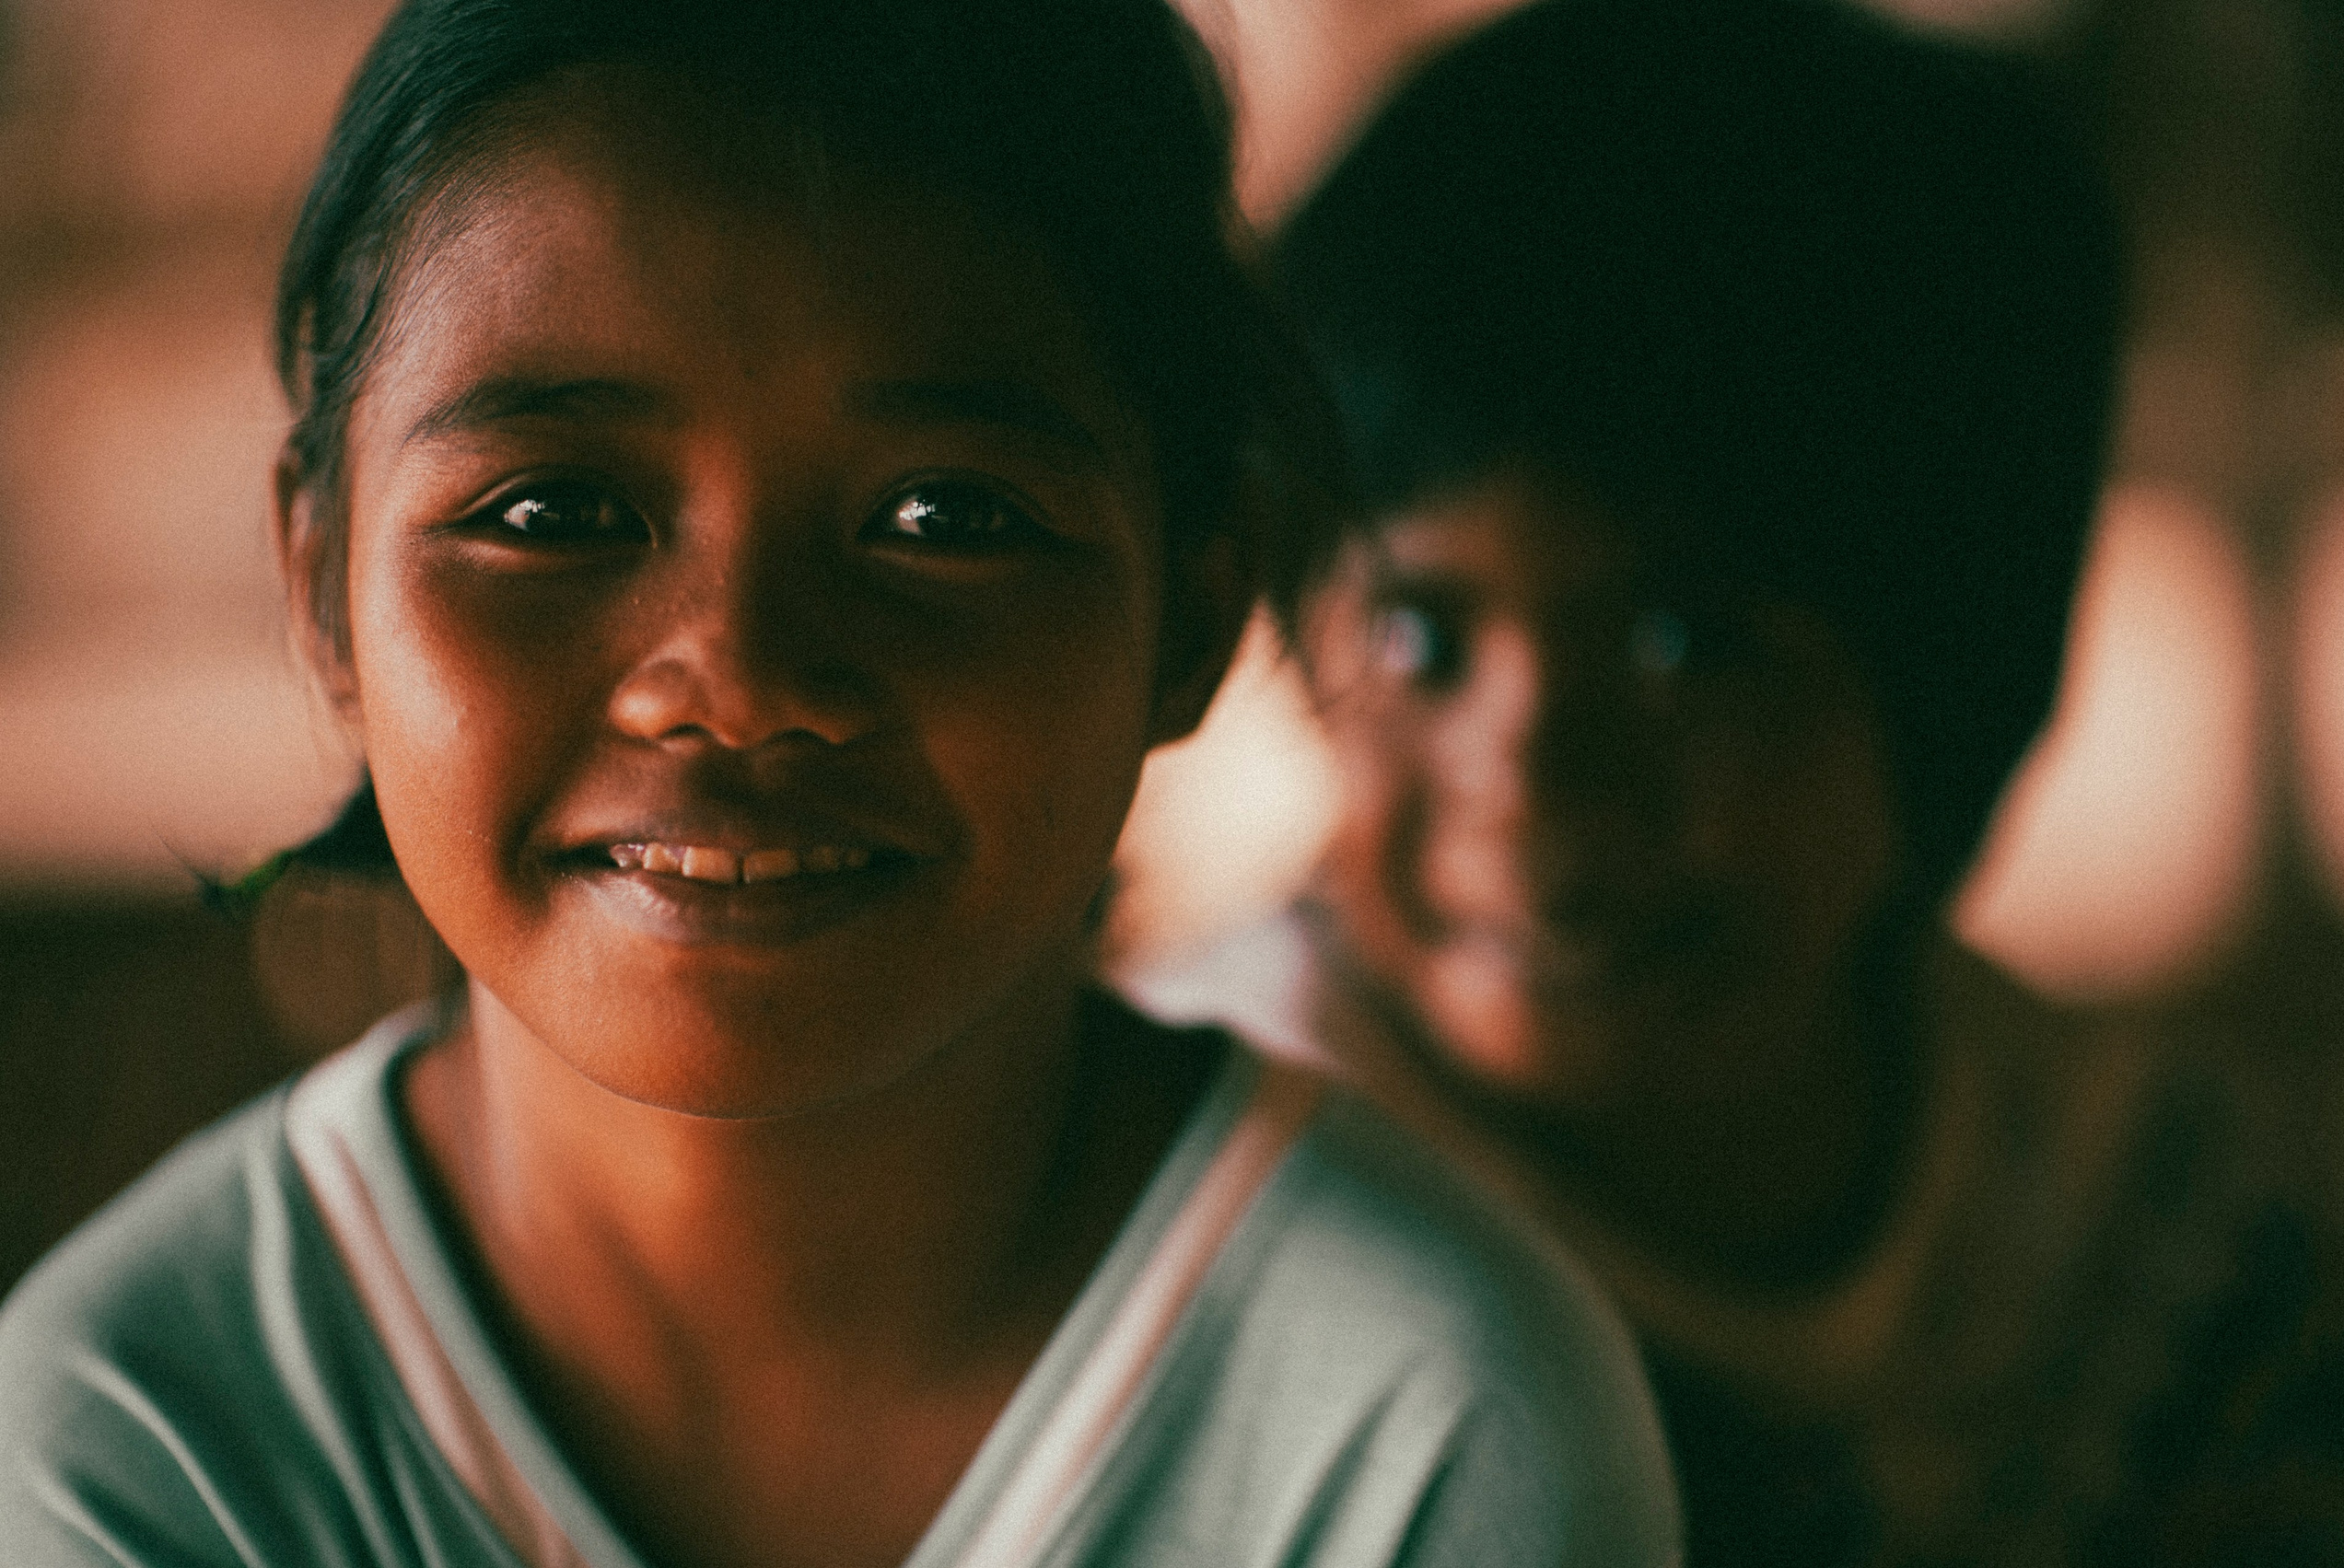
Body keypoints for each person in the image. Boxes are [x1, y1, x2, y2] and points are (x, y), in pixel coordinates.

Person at [0, 3, 1684, 1564]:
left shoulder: (1416, 1416)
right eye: (552, 513)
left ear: (1194, 607)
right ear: (321, 586)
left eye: (944, 519)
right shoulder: (146, 1433)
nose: (736, 683)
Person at [1128, 0, 2344, 1562]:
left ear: (1957, 685)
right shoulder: (1185, 1208)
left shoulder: (2165, 1237)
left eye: (1683, 641)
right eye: (1420, 635)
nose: (1534, 781)